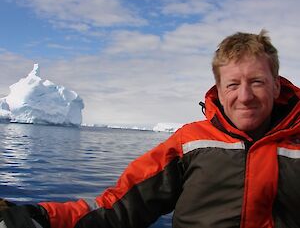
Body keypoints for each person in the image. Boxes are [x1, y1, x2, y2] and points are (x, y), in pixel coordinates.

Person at [0, 30, 299, 228]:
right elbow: (118, 208)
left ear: (276, 86)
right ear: (218, 91)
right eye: (233, 84)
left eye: (257, 81)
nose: (244, 96)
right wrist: (43, 217)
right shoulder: (190, 143)